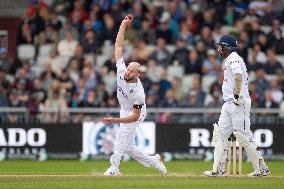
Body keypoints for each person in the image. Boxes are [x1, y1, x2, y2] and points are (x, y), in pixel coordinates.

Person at [102, 14, 167, 176]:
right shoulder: (121, 69)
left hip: (136, 113)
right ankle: (155, 161)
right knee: (129, 147)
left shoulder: (138, 93)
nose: (127, 72)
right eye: (128, 68)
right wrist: (123, 24)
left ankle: (114, 168)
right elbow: (118, 46)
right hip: (124, 108)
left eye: (132, 71)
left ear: (137, 75)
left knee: (121, 136)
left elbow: (134, 116)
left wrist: (115, 120)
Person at [204, 35, 270, 177]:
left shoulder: (233, 57)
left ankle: (262, 169)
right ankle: (219, 169)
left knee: (244, 136)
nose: (219, 49)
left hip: (238, 102)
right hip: (228, 103)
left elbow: (238, 75)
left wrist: (236, 94)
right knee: (220, 135)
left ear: (227, 47)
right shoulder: (230, 59)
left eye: (221, 46)